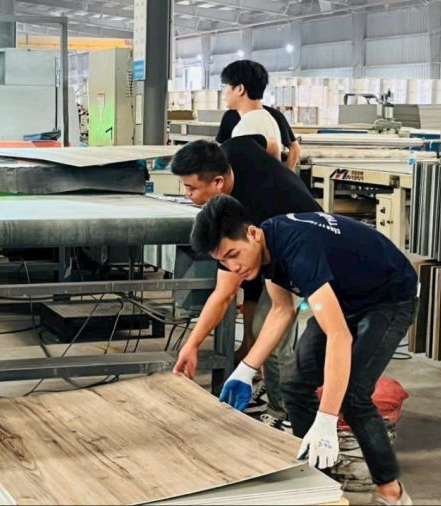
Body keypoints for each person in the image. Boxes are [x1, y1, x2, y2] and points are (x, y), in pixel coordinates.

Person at [189, 195, 417, 506]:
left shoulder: (298, 250)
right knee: (294, 383)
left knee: (352, 395)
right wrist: (246, 371)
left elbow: (338, 336)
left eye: (233, 254)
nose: (233, 267)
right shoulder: (266, 250)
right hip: (346, 297)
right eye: (223, 261)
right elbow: (282, 311)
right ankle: (321, 479)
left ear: (252, 233)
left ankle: (391, 491)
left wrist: (325, 419)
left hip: (388, 297)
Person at [170, 137, 320, 423]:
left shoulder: (248, 212)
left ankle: (289, 415)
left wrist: (194, 343)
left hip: (307, 248)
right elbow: (267, 141)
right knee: (264, 324)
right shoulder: (233, 150)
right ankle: (280, 401)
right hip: (280, 241)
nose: (186, 193)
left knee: (277, 333)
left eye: (190, 188)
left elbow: (226, 294)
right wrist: (192, 344)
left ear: (217, 183)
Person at [217, 59, 302, 170]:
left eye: (225, 86)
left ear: (240, 89)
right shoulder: (267, 118)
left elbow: (241, 173)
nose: (223, 93)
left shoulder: (247, 126)